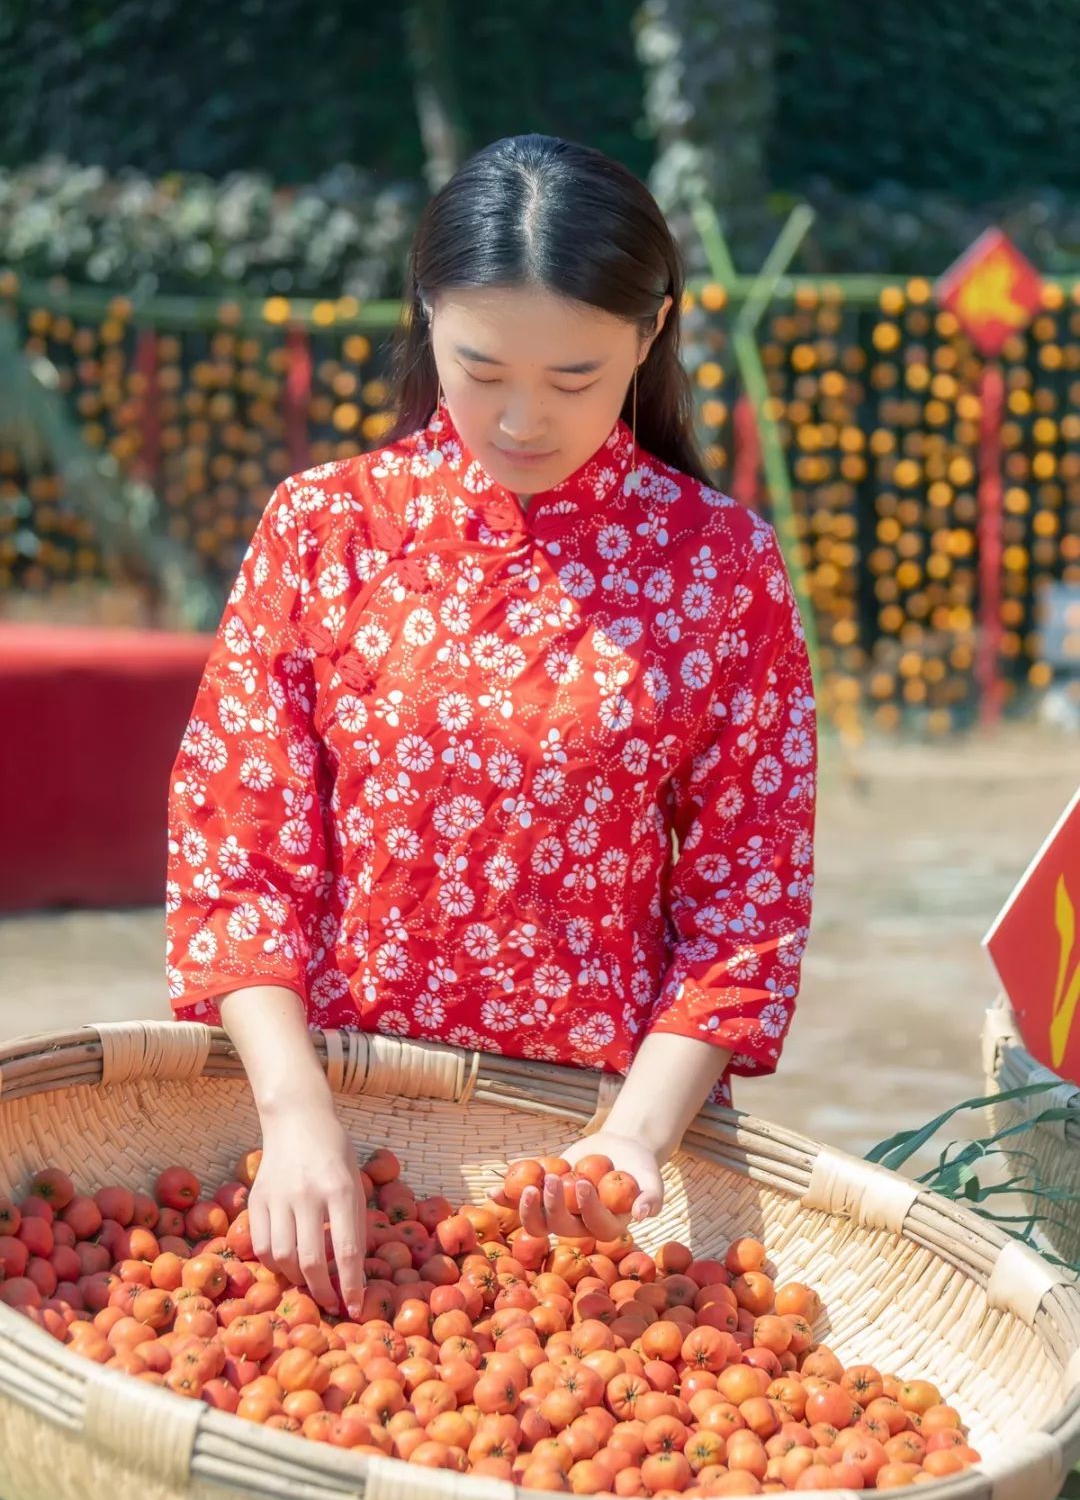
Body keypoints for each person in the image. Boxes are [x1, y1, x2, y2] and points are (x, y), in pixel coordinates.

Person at [165, 132, 817, 1320]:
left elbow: (744, 906)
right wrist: (294, 1109)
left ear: (652, 334)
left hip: (593, 1163)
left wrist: (634, 1138)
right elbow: (237, 856)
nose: (522, 419)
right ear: (425, 318)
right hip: (336, 1137)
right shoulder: (326, 529)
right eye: (479, 368)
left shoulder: (724, 569)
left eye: (575, 379)